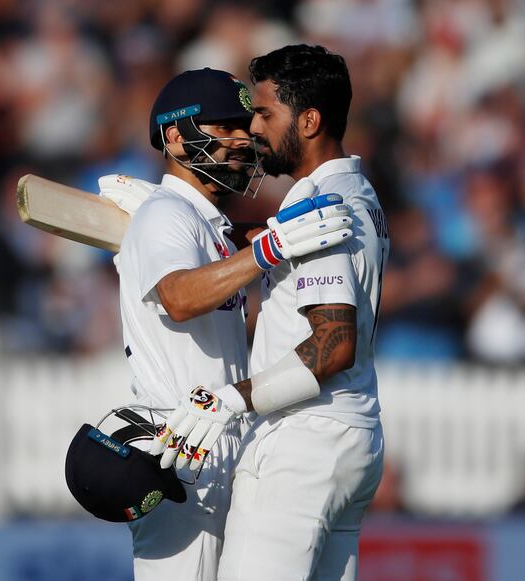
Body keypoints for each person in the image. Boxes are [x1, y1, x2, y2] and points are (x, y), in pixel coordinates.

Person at [104, 67, 354, 581]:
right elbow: (178, 297)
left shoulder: (205, 224)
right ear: (175, 136)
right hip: (174, 451)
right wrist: (269, 248)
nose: (242, 139)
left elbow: (230, 254)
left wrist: (261, 239)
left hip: (219, 443)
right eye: (223, 126)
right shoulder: (165, 215)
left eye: (246, 125)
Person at [153, 45, 390, 581]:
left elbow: (333, 344)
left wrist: (232, 399)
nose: (253, 129)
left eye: (264, 114)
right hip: (352, 436)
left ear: (308, 121)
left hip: (303, 441)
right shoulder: (360, 195)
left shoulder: (319, 206)